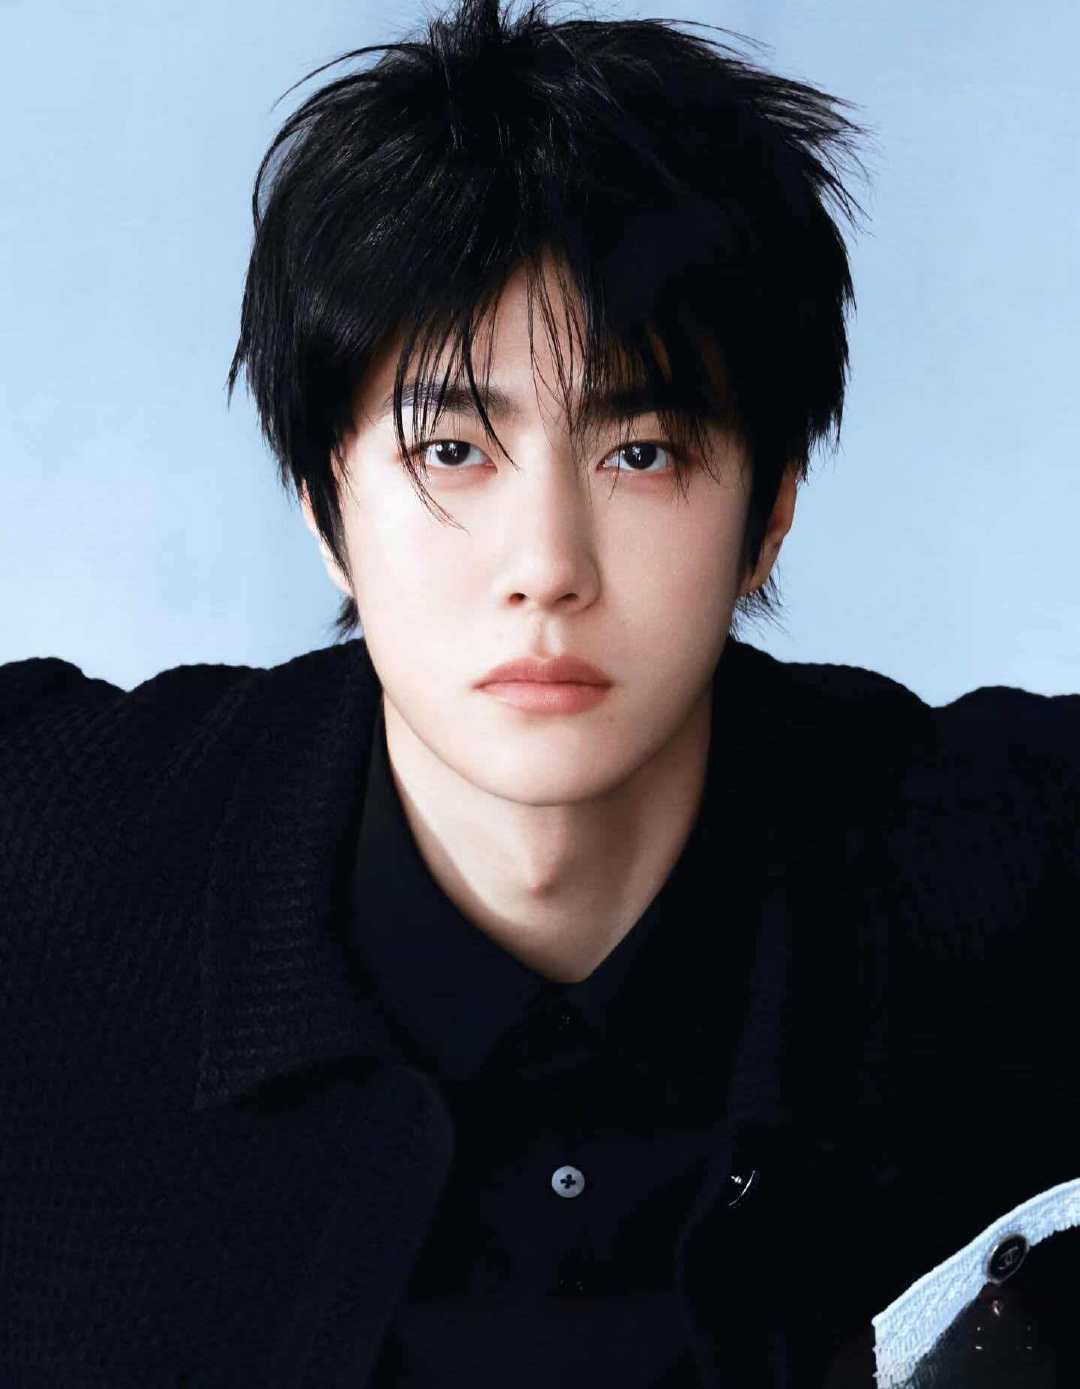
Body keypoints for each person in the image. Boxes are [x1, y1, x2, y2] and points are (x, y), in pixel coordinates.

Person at [1, 0, 1076, 1384]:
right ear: (327, 506)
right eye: (452, 451)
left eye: (641, 453)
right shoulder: (58, 860)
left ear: (770, 514)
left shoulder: (1005, 863)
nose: (548, 569)